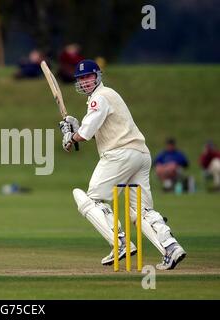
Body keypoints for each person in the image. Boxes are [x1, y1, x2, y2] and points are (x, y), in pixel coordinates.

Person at [59, 59, 186, 270]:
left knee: (91, 200)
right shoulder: (106, 96)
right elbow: (94, 128)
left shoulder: (99, 98)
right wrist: (75, 128)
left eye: (88, 76)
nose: (85, 81)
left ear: (97, 76)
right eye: (81, 78)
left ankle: (120, 243)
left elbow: (85, 134)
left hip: (119, 154)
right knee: (140, 211)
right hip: (140, 155)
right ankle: (171, 248)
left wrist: (70, 137)